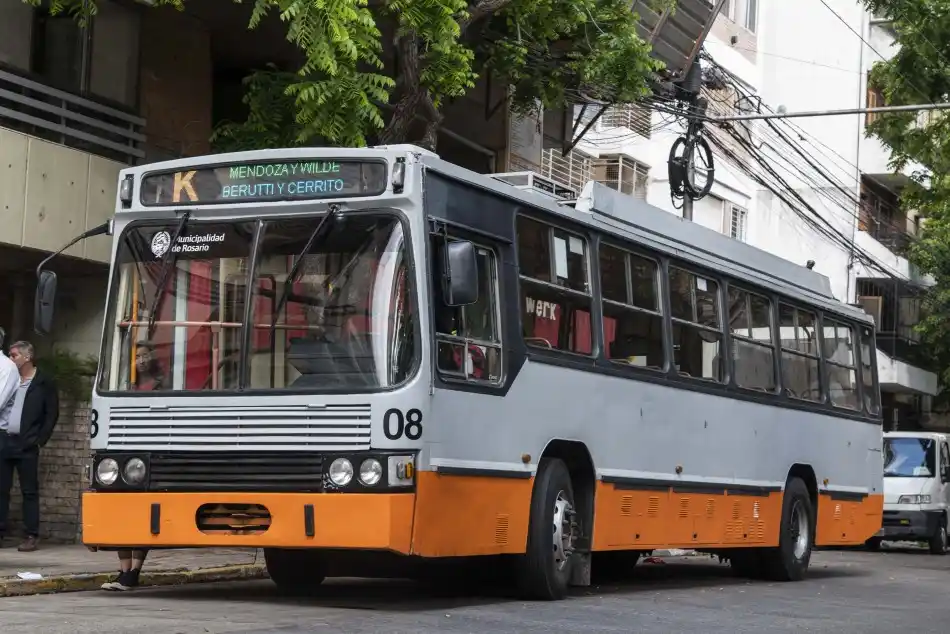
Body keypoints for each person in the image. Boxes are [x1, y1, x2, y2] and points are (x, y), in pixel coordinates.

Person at [101, 341, 163, 591]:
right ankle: (123, 571)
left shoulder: (162, 385)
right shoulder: (126, 384)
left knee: (141, 516)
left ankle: (134, 571)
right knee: (121, 514)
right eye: (137, 356)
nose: (141, 360)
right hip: (124, 452)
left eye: (145, 355)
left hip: (147, 454)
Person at [0, 341, 59, 552]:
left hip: (27, 444)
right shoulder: (9, 378)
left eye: (14, 355)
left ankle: (31, 535)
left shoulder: (43, 382)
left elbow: (51, 414)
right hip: (4, 439)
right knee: (1, 489)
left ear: (27, 357)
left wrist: (39, 439)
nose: (10, 358)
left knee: (29, 491)